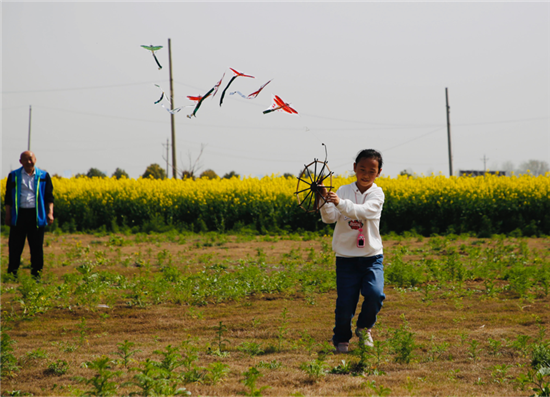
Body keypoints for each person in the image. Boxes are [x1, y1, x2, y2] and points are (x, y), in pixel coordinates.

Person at [319, 149, 385, 354]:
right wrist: (323, 199)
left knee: (375, 294)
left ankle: (364, 329)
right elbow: (329, 218)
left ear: (379, 172)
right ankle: (341, 338)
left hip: (371, 256)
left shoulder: (376, 193)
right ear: (354, 167)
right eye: (362, 169)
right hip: (346, 257)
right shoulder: (342, 190)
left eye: (371, 171)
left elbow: (365, 211)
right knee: (345, 302)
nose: (366, 174)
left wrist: (339, 202)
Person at [4, 151, 54, 279]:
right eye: (25, 160)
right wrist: (8, 214)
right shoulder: (14, 176)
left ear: (35, 160)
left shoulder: (43, 176)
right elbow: (8, 198)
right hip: (19, 214)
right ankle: (12, 273)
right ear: (20, 161)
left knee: (36, 247)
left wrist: (50, 213)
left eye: (31, 159)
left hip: (36, 215)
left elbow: (49, 197)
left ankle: (36, 275)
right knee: (15, 246)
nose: (29, 162)